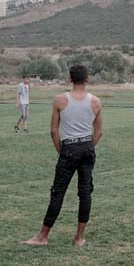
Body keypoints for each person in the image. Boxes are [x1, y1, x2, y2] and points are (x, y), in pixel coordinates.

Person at [24, 65, 102, 247]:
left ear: (70, 79)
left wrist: (62, 150)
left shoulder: (60, 100)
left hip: (69, 148)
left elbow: (53, 130)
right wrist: (88, 147)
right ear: (87, 79)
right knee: (85, 193)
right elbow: (98, 132)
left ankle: (43, 237)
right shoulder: (96, 102)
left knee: (58, 192)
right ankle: (79, 238)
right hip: (87, 147)